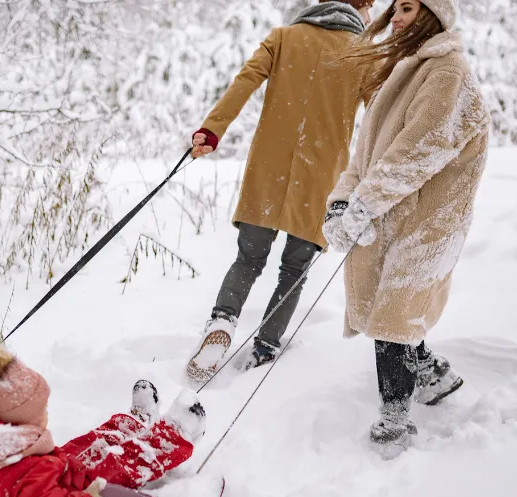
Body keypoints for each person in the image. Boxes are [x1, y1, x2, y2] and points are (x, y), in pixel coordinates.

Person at [321, 0, 490, 449]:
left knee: (393, 318)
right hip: (393, 212)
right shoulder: (403, 70)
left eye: (408, 9)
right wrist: (341, 203)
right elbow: (366, 154)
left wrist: (365, 204)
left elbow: (417, 152)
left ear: (432, 16)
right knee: (387, 311)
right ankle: (437, 379)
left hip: (429, 222)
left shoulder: (448, 72)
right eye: (395, 8)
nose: (395, 17)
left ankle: (394, 423)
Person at [185, 0, 376, 383]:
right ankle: (266, 347)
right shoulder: (364, 55)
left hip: (269, 170)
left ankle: (221, 322)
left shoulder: (285, 37)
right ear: (363, 8)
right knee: (294, 270)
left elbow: (244, 82)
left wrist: (211, 130)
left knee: (248, 259)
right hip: (320, 180)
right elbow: (377, 120)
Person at [0, 342, 205, 497]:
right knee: (124, 463)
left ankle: (134, 425)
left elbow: (26, 482)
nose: (46, 414)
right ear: (17, 423)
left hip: (56, 473)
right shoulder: (27, 474)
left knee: (93, 441)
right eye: (41, 412)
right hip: (75, 491)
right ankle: (173, 438)